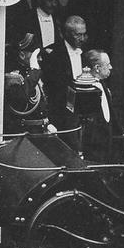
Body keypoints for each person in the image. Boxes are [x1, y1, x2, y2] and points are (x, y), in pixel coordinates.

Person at [39, 15, 89, 150]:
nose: (82, 39)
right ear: (66, 34)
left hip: (83, 113)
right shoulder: (52, 54)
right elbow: (51, 88)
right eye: (78, 35)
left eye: (84, 34)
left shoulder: (85, 52)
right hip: (61, 113)